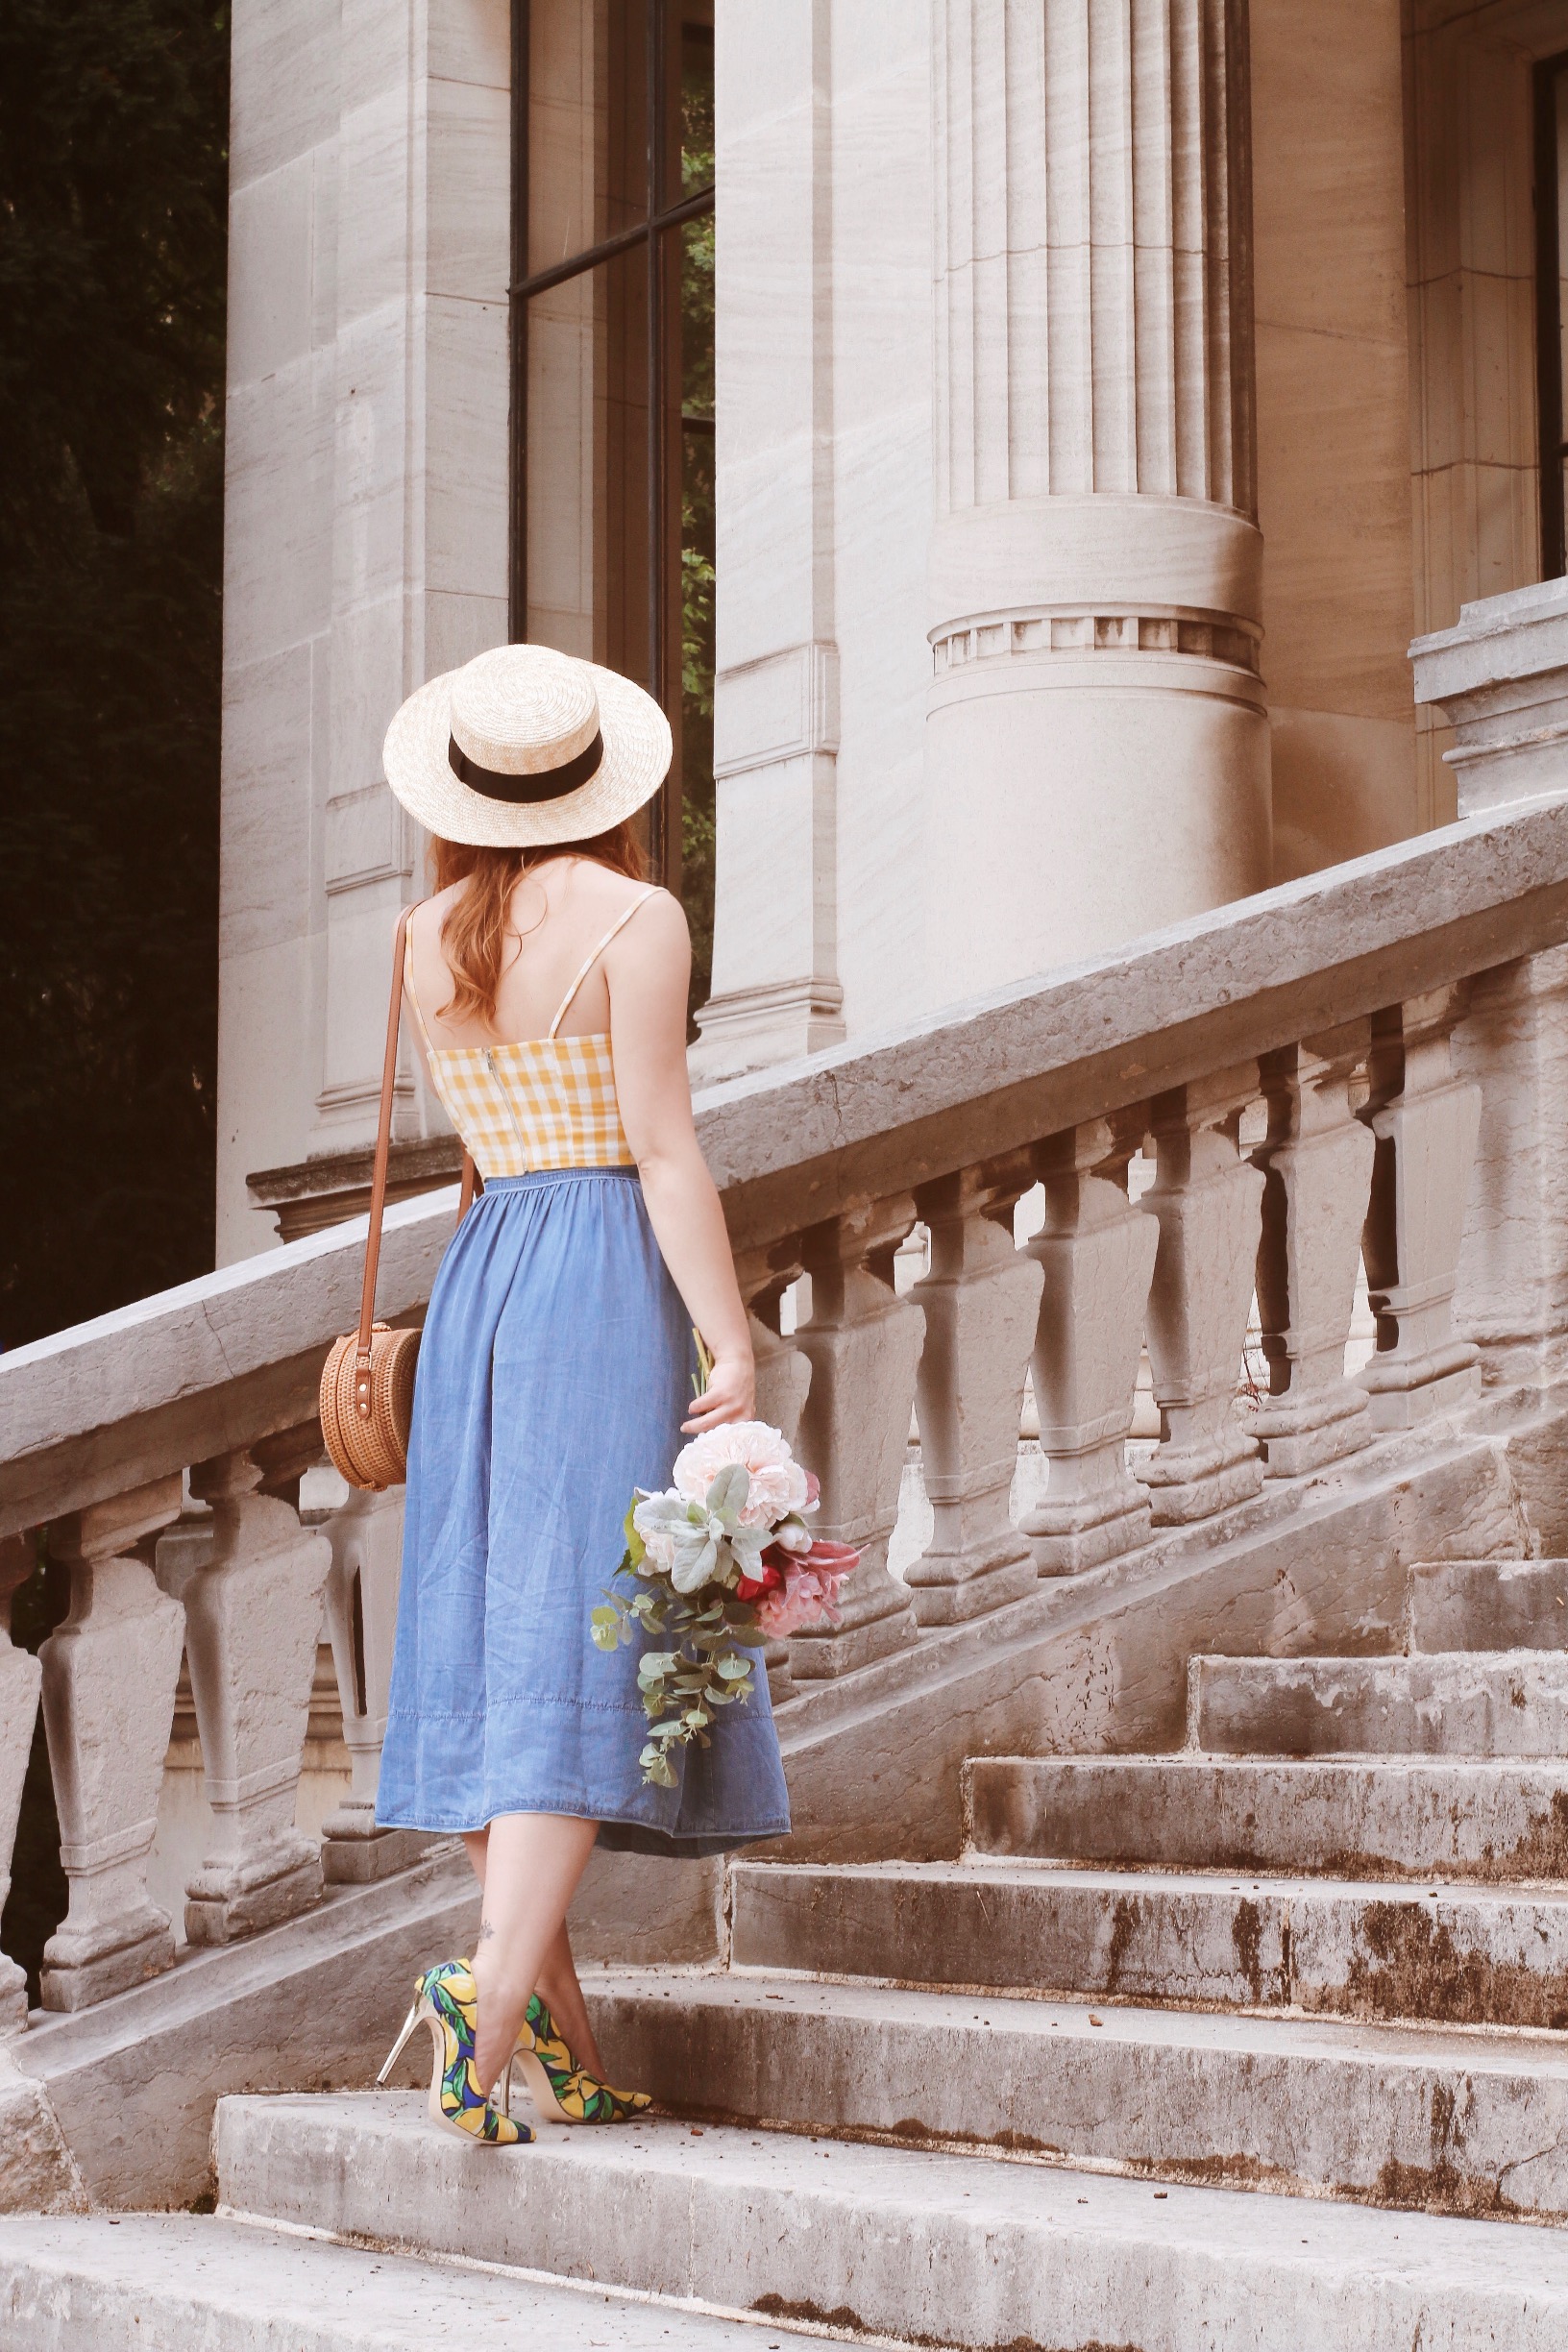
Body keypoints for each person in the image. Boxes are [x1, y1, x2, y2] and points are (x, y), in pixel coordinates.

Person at [371, 643, 790, 2146]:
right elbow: (663, 1146)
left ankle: (565, 2036)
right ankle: (480, 2010)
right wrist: (728, 1342)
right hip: (599, 1268)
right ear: (595, 781)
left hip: (485, 1275)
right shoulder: (637, 915)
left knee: (507, 1623)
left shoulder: (422, 934)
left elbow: (478, 1147)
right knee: (576, 1629)